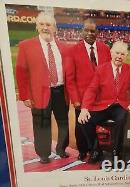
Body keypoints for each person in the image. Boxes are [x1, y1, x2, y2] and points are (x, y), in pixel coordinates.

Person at [16, 12, 70, 164]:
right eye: (42, 24)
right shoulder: (26, 45)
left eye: (49, 25)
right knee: (41, 123)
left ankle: (61, 148)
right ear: (37, 26)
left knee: (63, 122)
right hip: (39, 93)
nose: (45, 28)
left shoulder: (64, 48)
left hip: (61, 91)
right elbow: (21, 71)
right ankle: (43, 153)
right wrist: (25, 96)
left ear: (55, 28)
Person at [78, 41, 130, 163]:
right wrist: (85, 108)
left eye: (122, 54)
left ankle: (116, 152)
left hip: (120, 105)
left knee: (122, 120)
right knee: (84, 121)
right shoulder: (101, 69)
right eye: (117, 53)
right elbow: (91, 89)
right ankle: (95, 150)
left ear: (126, 56)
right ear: (111, 53)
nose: (119, 56)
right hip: (103, 105)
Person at [65, 18, 111, 161]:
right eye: (87, 30)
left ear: (97, 32)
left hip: (102, 97)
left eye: (93, 30)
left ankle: (95, 150)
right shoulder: (73, 50)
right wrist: (76, 100)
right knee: (81, 125)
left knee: (95, 123)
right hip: (82, 97)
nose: (90, 33)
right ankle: (83, 151)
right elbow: (70, 79)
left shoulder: (105, 48)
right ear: (82, 31)